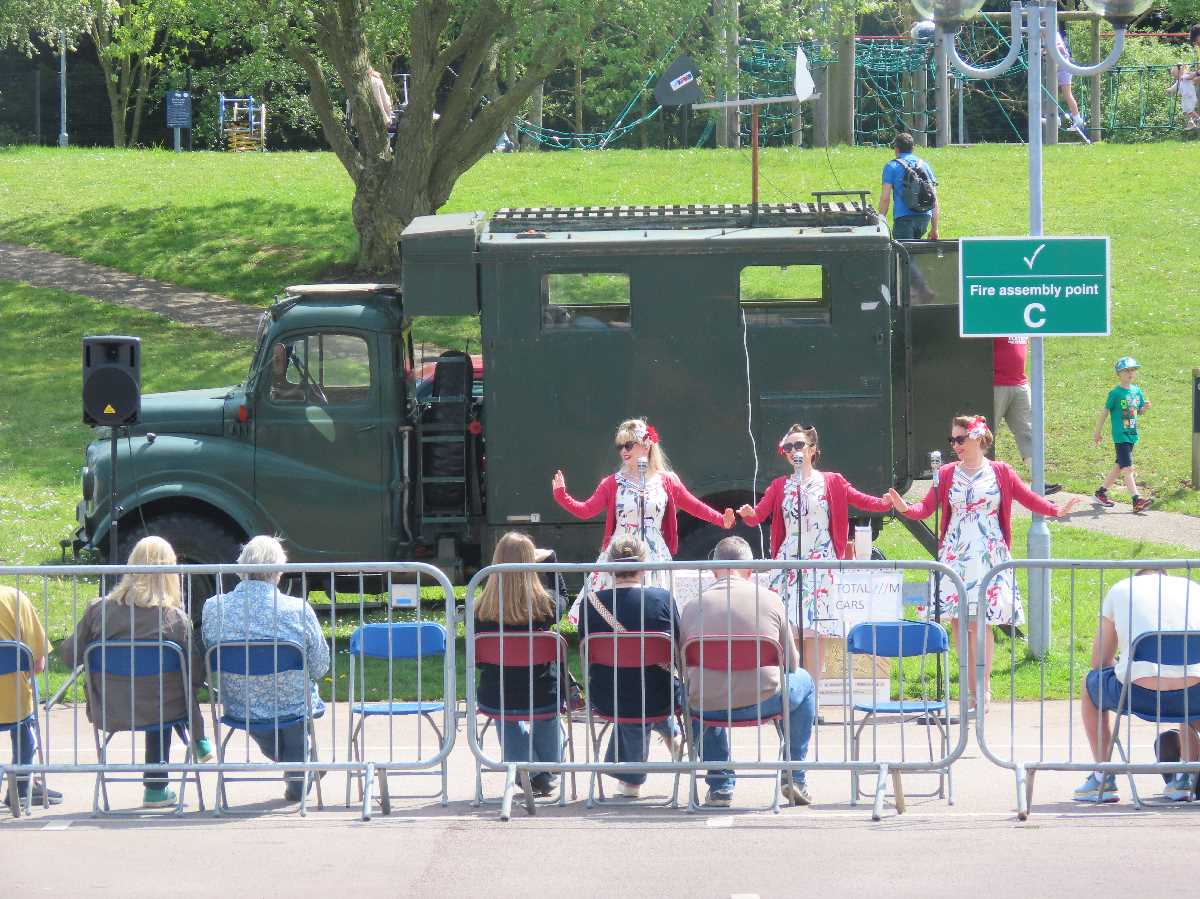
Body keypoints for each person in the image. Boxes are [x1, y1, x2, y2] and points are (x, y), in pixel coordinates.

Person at [887, 415, 1080, 711]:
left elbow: (1027, 498)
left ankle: (983, 687)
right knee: (958, 621)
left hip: (989, 553)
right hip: (956, 553)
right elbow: (926, 508)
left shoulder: (1000, 472)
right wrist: (905, 508)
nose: (955, 445)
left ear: (978, 438)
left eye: (960, 439)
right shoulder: (948, 473)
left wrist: (1055, 511)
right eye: (952, 440)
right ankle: (968, 688)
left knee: (981, 622)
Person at [59, 536, 213, 808]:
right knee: (167, 697)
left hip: (109, 706)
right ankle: (159, 783)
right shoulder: (175, 620)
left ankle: (182, 756)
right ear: (170, 573)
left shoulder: (98, 611)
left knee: (161, 695)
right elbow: (196, 674)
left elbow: (69, 656)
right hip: (162, 707)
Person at [736, 423, 890, 686]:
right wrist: (749, 515)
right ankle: (791, 691)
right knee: (791, 630)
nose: (793, 450)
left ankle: (813, 696)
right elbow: (759, 515)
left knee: (816, 631)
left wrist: (885, 503)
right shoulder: (779, 485)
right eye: (788, 447)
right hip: (788, 561)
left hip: (821, 560)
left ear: (812, 450)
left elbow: (859, 499)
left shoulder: (831, 481)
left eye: (799, 445)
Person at [552, 417, 735, 623]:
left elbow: (694, 506)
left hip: (654, 552)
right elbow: (586, 510)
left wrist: (722, 520)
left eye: (629, 444)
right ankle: (612, 639)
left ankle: (656, 639)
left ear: (647, 445)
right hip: (620, 551)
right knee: (610, 606)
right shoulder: (612, 483)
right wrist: (562, 496)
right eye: (620, 446)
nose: (623, 451)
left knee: (655, 604)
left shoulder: (667, 480)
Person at [680, 536, 816, 808]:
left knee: (697, 689)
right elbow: (791, 663)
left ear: (713, 569)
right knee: (805, 681)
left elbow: (684, 667)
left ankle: (720, 784)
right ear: (750, 570)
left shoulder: (691, 606)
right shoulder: (771, 601)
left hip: (707, 705)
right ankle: (794, 774)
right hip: (763, 699)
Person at [201, 535, 330, 802]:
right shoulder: (298, 610)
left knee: (277, 721)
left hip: (241, 704)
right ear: (280, 571)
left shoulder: (214, 608)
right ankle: (303, 764)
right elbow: (320, 666)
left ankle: (302, 765)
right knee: (296, 714)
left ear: (240, 568)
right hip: (293, 702)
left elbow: (209, 648)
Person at [1073, 570, 1200, 804]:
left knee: (1090, 685)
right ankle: (1186, 775)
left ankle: (1103, 776)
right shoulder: (1193, 588)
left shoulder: (1120, 589)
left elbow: (1099, 662)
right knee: (1189, 676)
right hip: (1194, 694)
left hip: (1138, 694)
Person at [580, 533, 683, 800]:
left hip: (606, 695)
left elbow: (585, 651)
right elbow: (679, 648)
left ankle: (632, 778)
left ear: (610, 565)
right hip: (660, 695)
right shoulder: (662, 599)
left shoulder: (591, 604)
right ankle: (668, 732)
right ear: (644, 566)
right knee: (644, 685)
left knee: (629, 687)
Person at [475, 531, 564, 798]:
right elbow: (563, 594)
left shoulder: (479, 608)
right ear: (531, 563)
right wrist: (551, 560)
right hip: (543, 693)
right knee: (547, 717)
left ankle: (530, 773)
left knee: (507, 717)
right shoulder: (546, 605)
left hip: (496, 694)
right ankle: (546, 769)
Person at [0, 586, 61, 807]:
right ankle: (22, 785)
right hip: (13, 704)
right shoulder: (14, 598)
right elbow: (37, 663)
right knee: (26, 723)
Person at [992, 337, 1061, 493]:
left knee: (1029, 433)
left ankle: (1039, 482)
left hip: (1019, 384)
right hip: (996, 384)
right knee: (985, 435)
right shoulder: (996, 318)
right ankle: (980, 482)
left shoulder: (1026, 320)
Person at [1092, 356, 1152, 513]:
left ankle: (1100, 492)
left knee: (1119, 466)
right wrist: (1097, 432)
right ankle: (1136, 499)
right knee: (1127, 467)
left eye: (1132, 370)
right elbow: (1105, 412)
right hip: (1121, 435)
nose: (1130, 373)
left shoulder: (1136, 391)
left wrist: (1144, 408)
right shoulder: (1115, 393)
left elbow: (1137, 411)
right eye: (1126, 370)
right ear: (1119, 373)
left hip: (1132, 433)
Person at [877, 132, 939, 241]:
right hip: (924, 217)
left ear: (896, 148)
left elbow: (885, 198)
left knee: (903, 255)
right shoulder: (924, 165)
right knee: (914, 253)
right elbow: (934, 198)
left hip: (903, 218)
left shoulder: (891, 166)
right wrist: (934, 228)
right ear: (913, 148)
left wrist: (880, 221)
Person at [1055, 30, 1087, 133]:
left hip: (1063, 67)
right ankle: (1055, 117)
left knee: (1067, 94)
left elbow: (1059, 48)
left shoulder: (1053, 34)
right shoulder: (1044, 36)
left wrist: (1044, 51)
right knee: (1051, 93)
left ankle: (1077, 119)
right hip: (1055, 67)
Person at [1166, 65, 1199, 131]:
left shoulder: (1184, 77)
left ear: (1179, 73)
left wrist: (1196, 73)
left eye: (1175, 75)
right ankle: (1191, 123)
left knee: (1190, 111)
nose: (1174, 77)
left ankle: (1198, 119)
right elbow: (1174, 88)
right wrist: (1168, 90)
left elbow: (1191, 76)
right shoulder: (1178, 81)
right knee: (1185, 111)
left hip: (1190, 97)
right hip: (1185, 98)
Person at [366, 66, 396, 133]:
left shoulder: (360, 82)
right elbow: (380, 101)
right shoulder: (375, 81)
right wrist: (386, 118)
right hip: (378, 117)